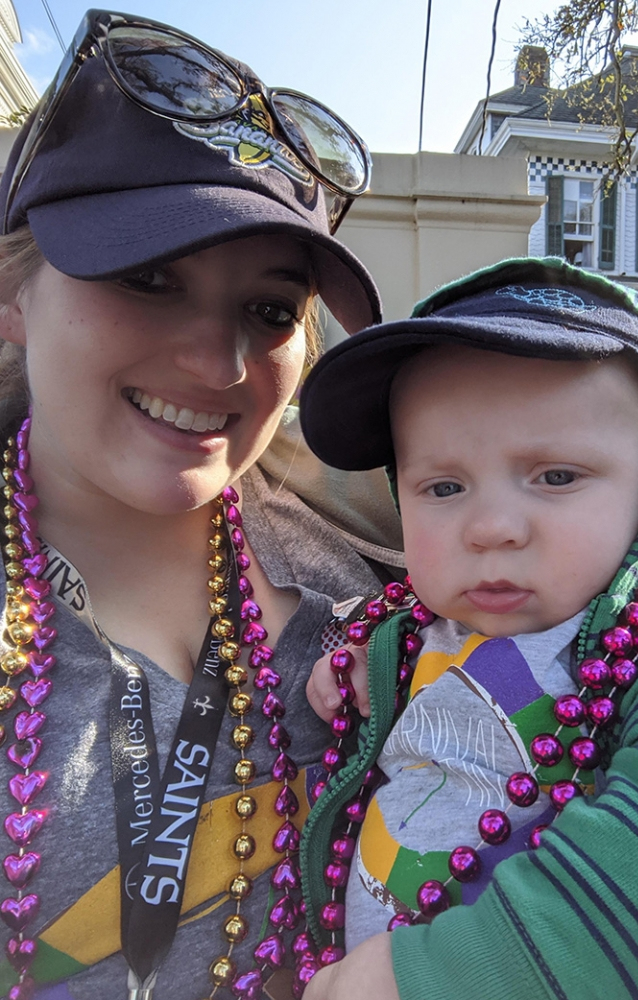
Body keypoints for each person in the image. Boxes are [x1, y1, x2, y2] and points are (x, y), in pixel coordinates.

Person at [0, 10, 404, 1000]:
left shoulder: (388, 574)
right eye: (147, 277)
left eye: (270, 311)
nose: (220, 364)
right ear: (13, 296)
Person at [297, 258, 638, 1000]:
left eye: (555, 477)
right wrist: (367, 661)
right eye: (443, 487)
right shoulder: (425, 625)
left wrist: (435, 978)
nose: (491, 528)